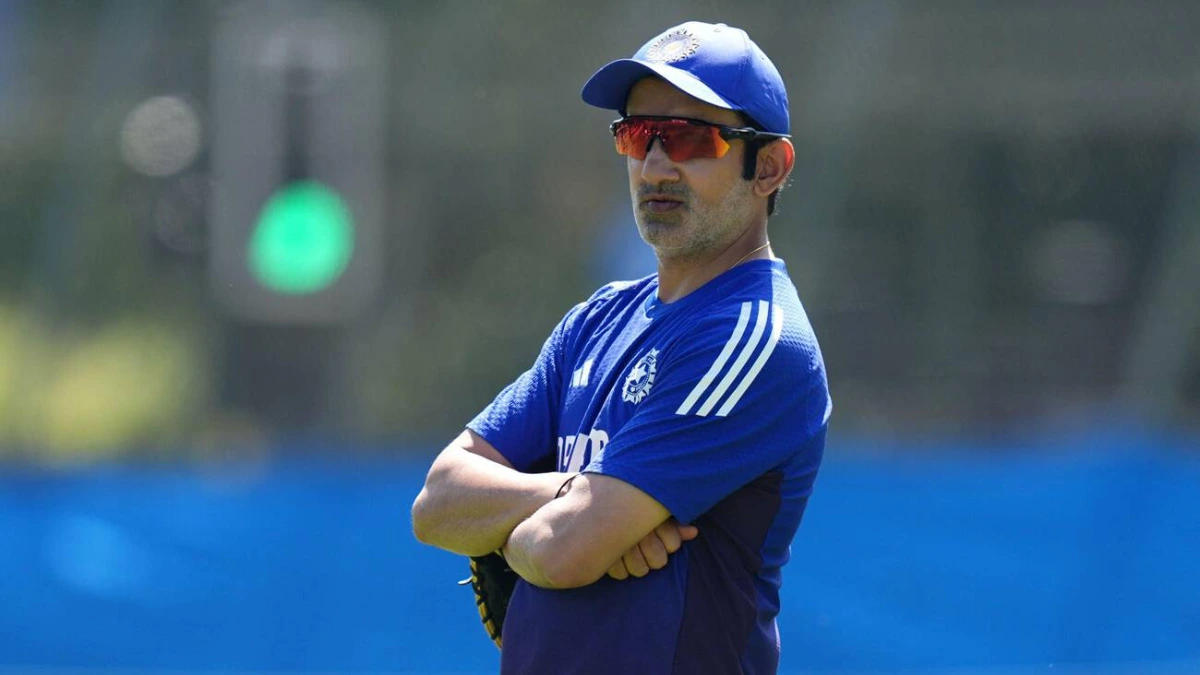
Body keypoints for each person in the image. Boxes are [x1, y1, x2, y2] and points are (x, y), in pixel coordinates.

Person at [411, 20, 831, 675]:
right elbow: (437, 500)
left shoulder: (755, 337)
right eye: (638, 135)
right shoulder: (595, 321)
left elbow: (561, 551)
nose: (655, 166)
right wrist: (576, 493)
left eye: (690, 138)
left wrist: (517, 523)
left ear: (769, 167)